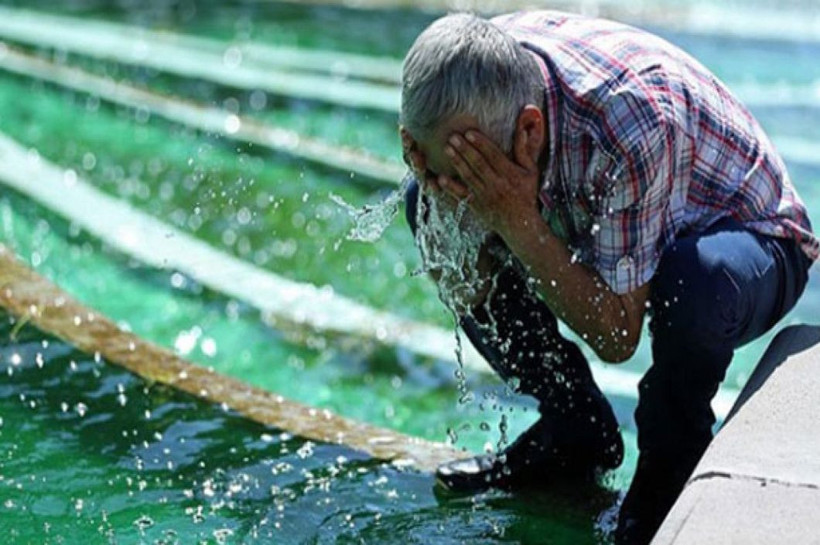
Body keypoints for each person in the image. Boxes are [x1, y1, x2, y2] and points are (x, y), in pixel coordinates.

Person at [398, 10, 817, 544]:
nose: (449, 185)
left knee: (692, 280)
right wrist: (439, 197)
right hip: (619, 207)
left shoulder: (629, 118)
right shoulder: (464, 73)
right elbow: (467, 277)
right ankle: (575, 431)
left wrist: (514, 218)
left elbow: (617, 336)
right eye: (430, 163)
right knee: (427, 208)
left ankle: (667, 479)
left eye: (467, 173)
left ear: (528, 129)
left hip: (754, 242)